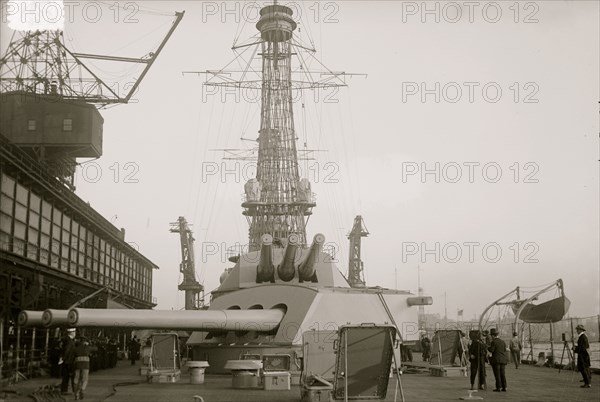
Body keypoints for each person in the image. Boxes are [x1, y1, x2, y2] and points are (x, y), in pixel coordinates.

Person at [488, 328, 508, 392]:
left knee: (497, 374)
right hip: (503, 360)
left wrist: (487, 347)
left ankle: (498, 387)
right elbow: (504, 350)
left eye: (491, 336)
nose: (491, 337)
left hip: (496, 360)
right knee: (502, 374)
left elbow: (491, 350)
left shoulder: (494, 342)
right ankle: (505, 387)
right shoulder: (503, 341)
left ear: (493, 335)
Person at [572, 324, 591, 388]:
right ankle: (588, 381)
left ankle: (587, 383)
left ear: (580, 330)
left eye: (577, 330)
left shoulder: (582, 337)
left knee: (582, 368)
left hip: (582, 355)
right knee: (586, 368)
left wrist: (575, 349)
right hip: (585, 354)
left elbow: (582, 347)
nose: (577, 331)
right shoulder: (584, 336)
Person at [59, 328, 76, 394]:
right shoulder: (70, 341)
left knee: (66, 376)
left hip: (67, 361)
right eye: (74, 332)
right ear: (72, 333)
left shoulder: (67, 340)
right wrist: (63, 358)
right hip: (69, 362)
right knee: (72, 376)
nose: (75, 334)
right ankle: (74, 390)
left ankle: (64, 390)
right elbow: (67, 351)